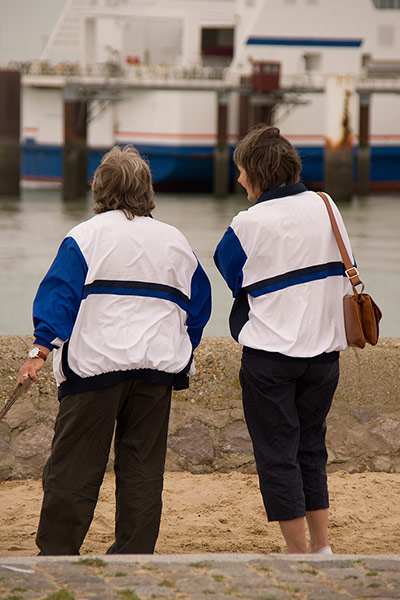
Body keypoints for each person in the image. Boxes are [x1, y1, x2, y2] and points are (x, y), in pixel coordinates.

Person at [17, 145, 211, 555]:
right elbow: (199, 303)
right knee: (142, 468)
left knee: (75, 468)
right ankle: (134, 553)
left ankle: (58, 551)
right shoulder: (175, 241)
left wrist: (40, 349)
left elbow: (60, 297)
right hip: (156, 373)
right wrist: (181, 345)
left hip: (95, 370)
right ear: (147, 190)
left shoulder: (84, 238)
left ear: (100, 189)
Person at [214, 125, 355, 555]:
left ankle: (296, 554)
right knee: (312, 448)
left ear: (256, 173)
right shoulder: (327, 205)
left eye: (241, 172)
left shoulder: (249, 221)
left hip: (271, 356)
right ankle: (322, 547)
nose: (238, 181)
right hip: (324, 354)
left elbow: (230, 272)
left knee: (277, 453)